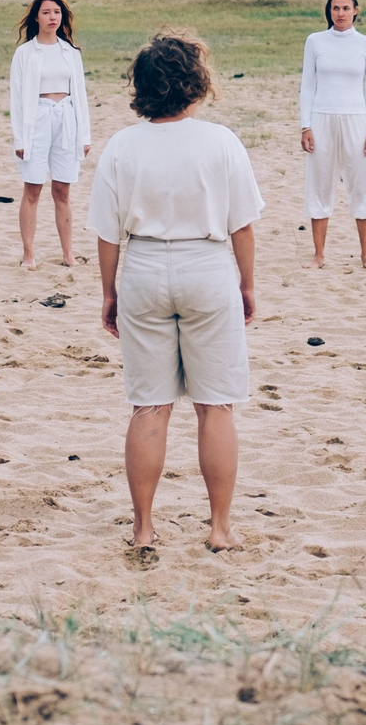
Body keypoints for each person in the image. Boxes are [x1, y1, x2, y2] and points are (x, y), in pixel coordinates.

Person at [90, 30, 265, 553]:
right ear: (195, 83)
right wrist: (247, 284)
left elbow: (106, 232)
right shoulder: (220, 142)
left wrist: (109, 293)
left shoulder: (122, 145)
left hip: (143, 266)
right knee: (216, 406)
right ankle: (219, 528)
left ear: (142, 86)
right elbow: (243, 227)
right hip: (207, 266)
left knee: (150, 406)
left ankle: (143, 529)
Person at [298, 0, 366, 271]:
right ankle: (318, 255)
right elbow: (307, 86)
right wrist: (305, 125)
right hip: (321, 118)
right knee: (320, 185)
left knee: (361, 185)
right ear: (329, 11)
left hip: (356, 120)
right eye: (335, 8)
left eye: (346, 8)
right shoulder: (315, 41)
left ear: (356, 10)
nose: (341, 13)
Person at [10, 0, 92, 270]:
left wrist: (85, 136)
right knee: (32, 188)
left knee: (62, 190)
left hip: (66, 120)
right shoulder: (24, 54)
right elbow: (17, 98)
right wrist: (21, 137)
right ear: (36, 16)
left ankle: (68, 254)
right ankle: (29, 253)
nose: (52, 17)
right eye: (46, 12)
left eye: (56, 12)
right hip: (37, 120)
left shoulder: (70, 53)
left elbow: (80, 94)